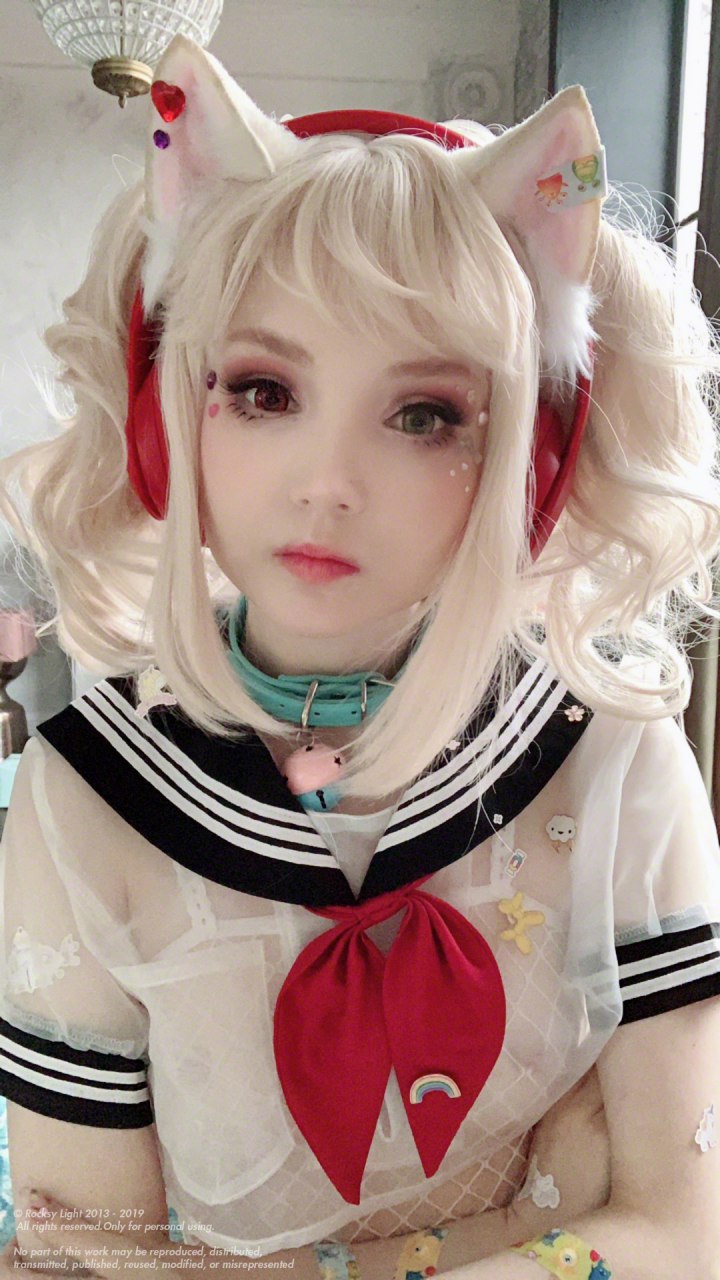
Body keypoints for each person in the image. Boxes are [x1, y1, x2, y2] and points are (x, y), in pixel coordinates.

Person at [0, 29, 718, 1280]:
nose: (326, 483)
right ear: (171, 419)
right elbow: (70, 1250)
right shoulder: (84, 799)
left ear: (531, 461)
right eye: (263, 391)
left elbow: (688, 1228)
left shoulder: (610, 751)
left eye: (425, 413)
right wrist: (528, 1223)